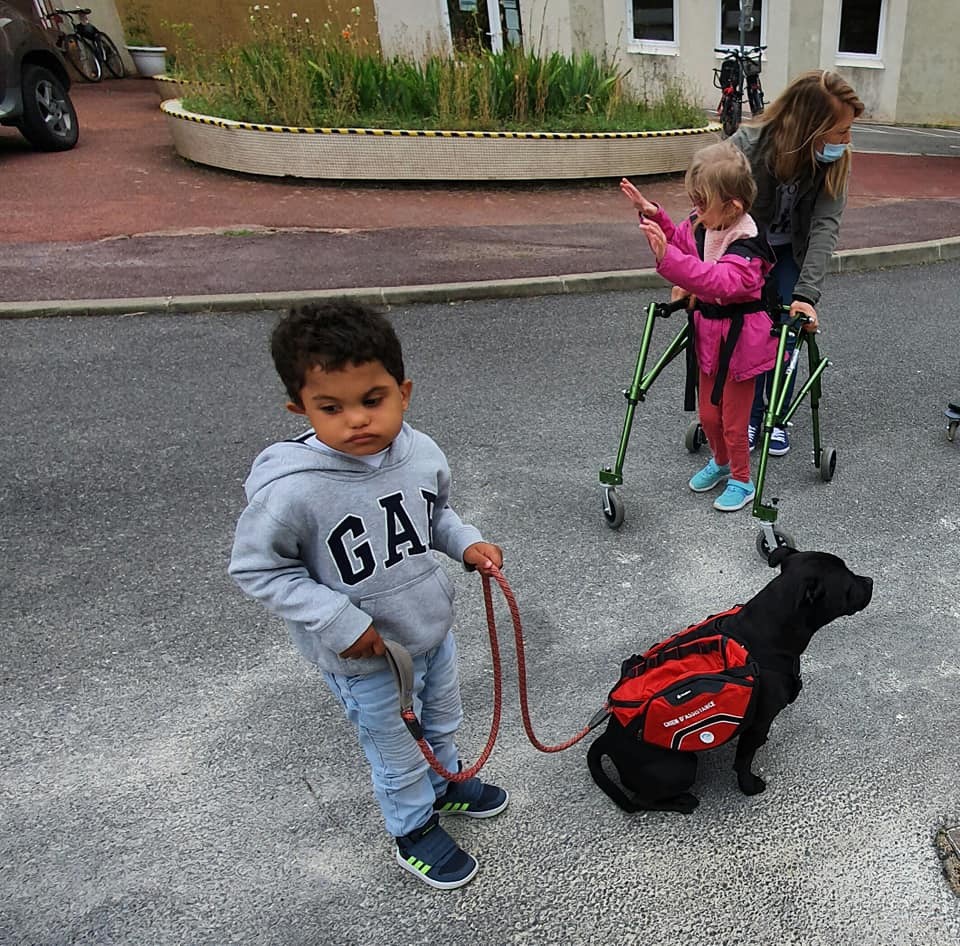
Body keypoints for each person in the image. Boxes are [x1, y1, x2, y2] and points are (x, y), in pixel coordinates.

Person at [228, 301, 507, 890]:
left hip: (430, 628)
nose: (355, 420)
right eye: (331, 408)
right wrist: (335, 619)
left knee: (442, 717)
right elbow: (258, 569)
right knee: (394, 747)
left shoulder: (421, 452)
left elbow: (436, 516)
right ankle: (412, 829)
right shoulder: (290, 491)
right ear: (299, 408)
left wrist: (467, 545)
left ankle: (446, 782)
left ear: (403, 391)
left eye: (372, 400)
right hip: (368, 657)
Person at [620, 141, 777, 512]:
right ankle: (721, 463)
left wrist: (668, 260)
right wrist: (655, 216)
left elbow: (716, 281)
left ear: (733, 206)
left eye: (702, 202)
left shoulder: (748, 246)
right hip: (709, 337)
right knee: (708, 415)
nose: (696, 210)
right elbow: (683, 244)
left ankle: (742, 478)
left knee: (735, 422)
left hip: (740, 345)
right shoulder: (706, 224)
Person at [729, 69, 865, 456]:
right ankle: (749, 416)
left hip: (792, 251)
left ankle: (775, 415)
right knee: (746, 332)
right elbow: (709, 209)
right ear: (810, 126)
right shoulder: (747, 147)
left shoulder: (836, 160)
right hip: (747, 250)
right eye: (840, 132)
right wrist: (693, 271)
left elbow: (825, 225)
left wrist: (807, 294)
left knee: (787, 333)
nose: (847, 141)